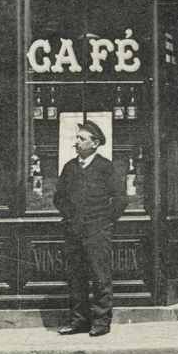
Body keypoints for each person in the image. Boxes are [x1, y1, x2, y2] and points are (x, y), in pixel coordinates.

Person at [54, 121, 126, 336]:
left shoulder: (105, 167)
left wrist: (106, 221)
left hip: (98, 231)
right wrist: (70, 216)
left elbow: (121, 199)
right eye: (77, 138)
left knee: (100, 276)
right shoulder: (70, 167)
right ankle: (79, 321)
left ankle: (101, 322)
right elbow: (58, 197)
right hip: (74, 231)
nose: (77, 141)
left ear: (95, 144)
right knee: (76, 277)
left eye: (82, 138)